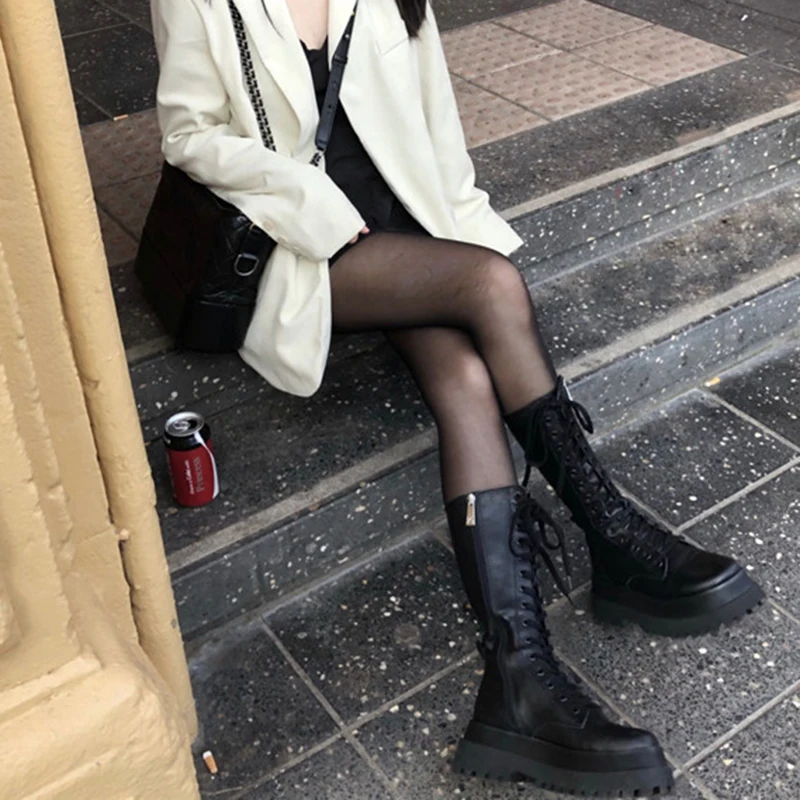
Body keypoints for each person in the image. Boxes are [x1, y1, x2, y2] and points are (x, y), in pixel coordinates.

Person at [152, 0, 764, 794]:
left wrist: (459, 224)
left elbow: (434, 116)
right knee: (491, 285)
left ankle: (518, 680)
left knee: (470, 372)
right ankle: (611, 537)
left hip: (403, 225)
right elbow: (189, 133)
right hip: (293, 241)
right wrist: (315, 206)